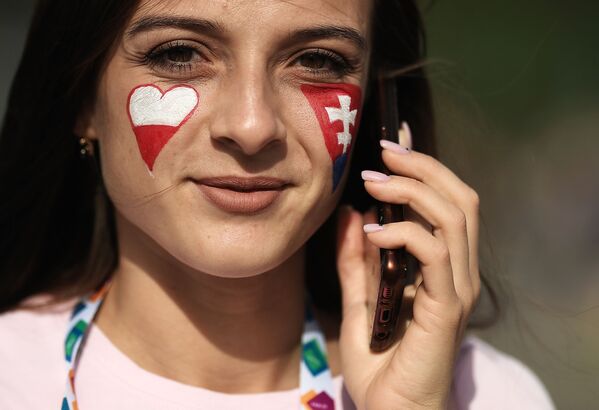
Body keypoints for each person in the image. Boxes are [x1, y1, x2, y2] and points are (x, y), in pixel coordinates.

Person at [0, 0, 555, 409]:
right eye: (179, 53)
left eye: (316, 60)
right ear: (81, 100)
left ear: (376, 112)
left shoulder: (486, 396)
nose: (251, 126)